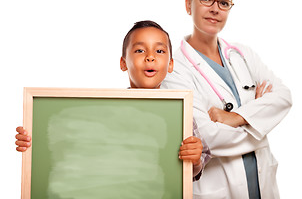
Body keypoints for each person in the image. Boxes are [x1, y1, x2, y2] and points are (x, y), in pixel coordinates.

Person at [16, 20, 208, 179]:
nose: (150, 57)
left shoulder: (182, 114)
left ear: (171, 64)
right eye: (140, 51)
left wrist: (196, 161)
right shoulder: (102, 111)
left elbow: (192, 171)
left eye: (159, 51)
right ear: (123, 63)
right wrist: (33, 142)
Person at [161, 0, 292, 198]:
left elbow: (284, 97)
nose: (215, 9)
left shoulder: (243, 54)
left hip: (262, 184)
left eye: (224, 3)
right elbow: (208, 138)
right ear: (188, 4)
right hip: (217, 189)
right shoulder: (174, 68)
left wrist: (236, 118)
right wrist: (262, 123)